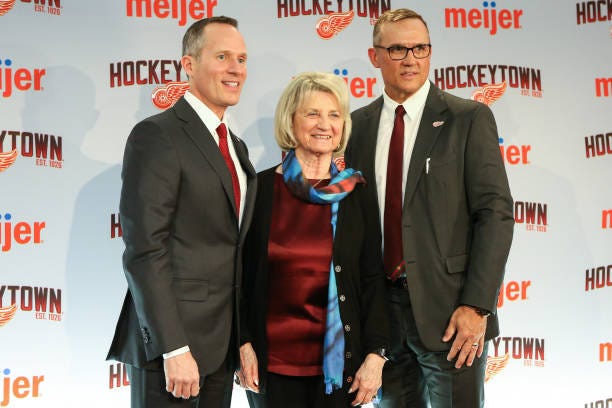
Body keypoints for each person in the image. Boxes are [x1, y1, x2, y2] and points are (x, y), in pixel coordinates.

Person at [345, 8, 514, 408]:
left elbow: (495, 214)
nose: (410, 59)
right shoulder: (356, 127)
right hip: (382, 319)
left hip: (451, 314)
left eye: (420, 48)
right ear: (375, 57)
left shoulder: (468, 118)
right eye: (398, 49)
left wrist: (477, 305)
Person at [106, 16, 257, 408]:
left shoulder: (236, 147)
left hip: (220, 350)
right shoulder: (158, 135)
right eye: (222, 56)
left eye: (241, 59)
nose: (235, 68)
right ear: (188, 65)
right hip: (175, 354)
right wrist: (173, 348)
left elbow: (233, 252)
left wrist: (241, 338)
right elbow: (144, 250)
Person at [237, 71, 390, 408]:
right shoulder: (259, 190)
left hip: (340, 372)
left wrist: (377, 355)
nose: (325, 124)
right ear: (291, 121)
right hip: (270, 369)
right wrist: (242, 343)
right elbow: (238, 279)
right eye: (312, 113)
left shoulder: (356, 193)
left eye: (334, 114)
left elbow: (371, 280)